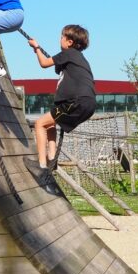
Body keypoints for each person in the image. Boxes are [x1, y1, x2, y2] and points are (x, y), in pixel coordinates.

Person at [27, 24, 96, 173]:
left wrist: (36, 48)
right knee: (50, 124)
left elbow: (44, 63)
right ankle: (52, 159)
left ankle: (41, 164)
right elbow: (59, 69)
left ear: (69, 42)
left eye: (61, 37)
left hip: (76, 101)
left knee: (39, 124)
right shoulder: (80, 59)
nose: (60, 39)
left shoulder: (68, 53)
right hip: (88, 103)